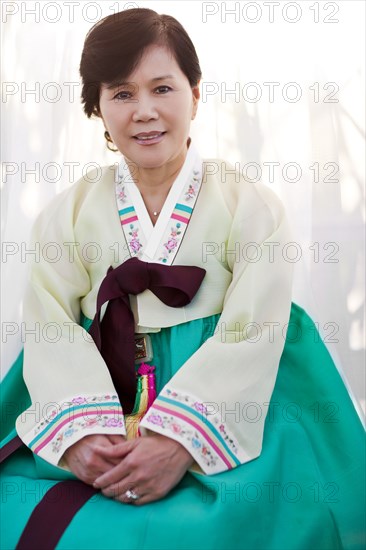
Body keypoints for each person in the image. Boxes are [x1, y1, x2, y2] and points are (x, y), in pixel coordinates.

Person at [1, 8, 364, 550]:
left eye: (162, 88)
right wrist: (82, 435)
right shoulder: (68, 213)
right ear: (96, 107)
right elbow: (50, 324)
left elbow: (254, 331)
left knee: (241, 525)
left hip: (236, 399)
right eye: (121, 93)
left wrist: (179, 440)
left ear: (195, 95)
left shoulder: (252, 206)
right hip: (101, 389)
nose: (144, 112)